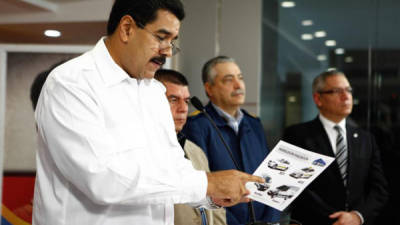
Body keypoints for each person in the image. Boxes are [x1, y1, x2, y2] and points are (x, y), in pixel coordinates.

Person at [32, 1, 264, 225]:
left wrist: (211, 196)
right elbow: (102, 180)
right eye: (161, 38)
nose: (168, 52)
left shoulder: (153, 92)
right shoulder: (71, 84)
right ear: (127, 29)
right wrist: (205, 184)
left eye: (172, 41)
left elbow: (172, 165)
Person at [182, 56, 281, 224]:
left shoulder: (254, 123)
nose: (238, 85)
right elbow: (203, 186)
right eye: (229, 80)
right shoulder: (198, 125)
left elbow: (267, 176)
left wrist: (270, 221)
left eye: (240, 78)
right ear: (209, 88)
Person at [282, 70, 388, 225]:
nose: (346, 97)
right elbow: (294, 184)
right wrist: (337, 218)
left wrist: (358, 216)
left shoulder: (366, 139)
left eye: (349, 90)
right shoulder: (297, 135)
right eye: (337, 91)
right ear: (318, 98)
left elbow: (379, 189)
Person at [155, 69, 227, 225]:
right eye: (173, 99)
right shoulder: (142, 150)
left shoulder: (195, 150)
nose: (183, 108)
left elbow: (215, 206)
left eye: (186, 101)